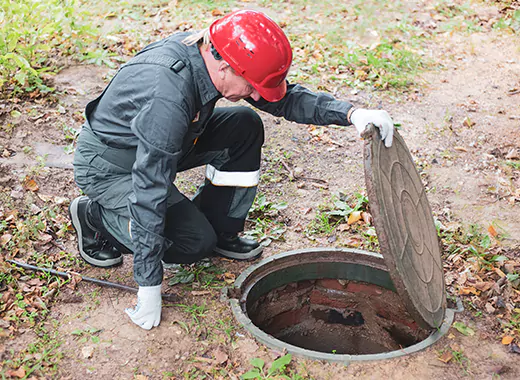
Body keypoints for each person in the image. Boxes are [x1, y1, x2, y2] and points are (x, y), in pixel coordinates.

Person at [69, 10, 394, 330]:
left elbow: (283, 101)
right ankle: (93, 218)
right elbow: (150, 186)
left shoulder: (213, 57)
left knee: (244, 125)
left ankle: (222, 228)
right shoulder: (167, 94)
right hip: (114, 165)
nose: (255, 95)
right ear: (224, 66)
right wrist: (149, 284)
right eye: (251, 87)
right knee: (193, 242)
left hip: (169, 142)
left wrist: (351, 114)